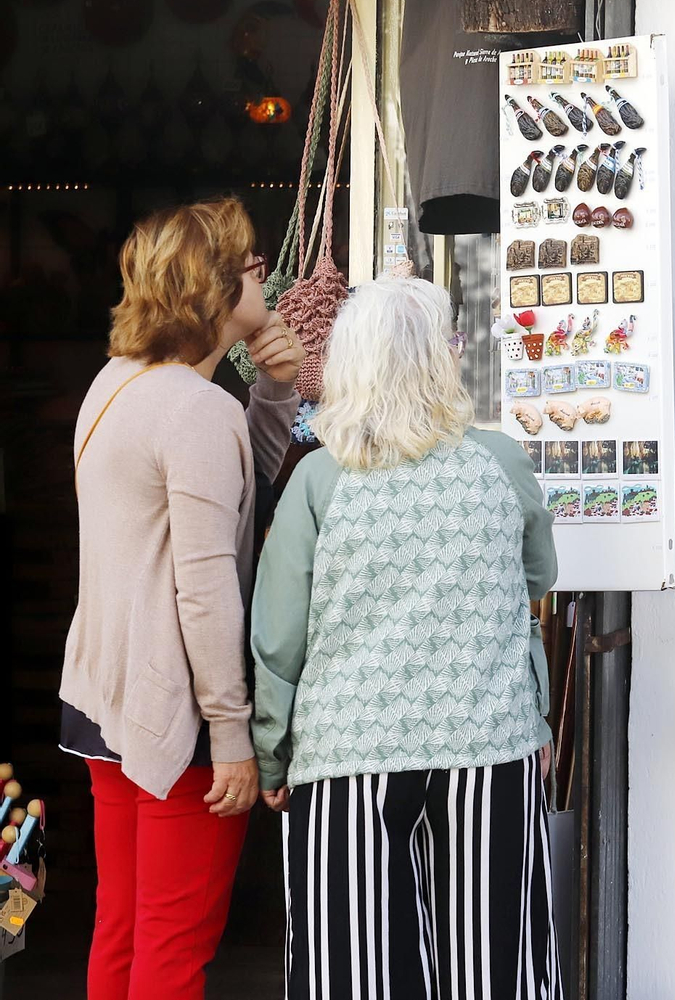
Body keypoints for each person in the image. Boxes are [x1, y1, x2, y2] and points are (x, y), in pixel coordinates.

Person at [251, 277, 561, 999]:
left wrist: (272, 753)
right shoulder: (500, 462)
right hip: (488, 747)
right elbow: (537, 577)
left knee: (356, 973)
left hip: (348, 761)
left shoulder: (318, 479)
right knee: (493, 972)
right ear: (441, 359)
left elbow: (279, 639)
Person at [58, 197, 306, 1000]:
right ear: (218, 286)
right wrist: (232, 732)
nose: (265, 275)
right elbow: (205, 587)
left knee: (125, 929)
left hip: (105, 691)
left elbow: (226, 490)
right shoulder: (195, 408)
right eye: (254, 264)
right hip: (178, 704)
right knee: (173, 946)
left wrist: (274, 390)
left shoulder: (117, 383)